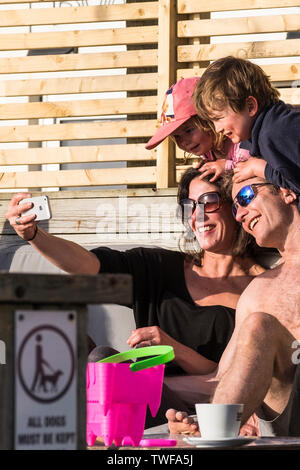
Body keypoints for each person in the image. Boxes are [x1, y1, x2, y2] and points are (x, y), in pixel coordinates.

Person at [6, 167, 263, 427]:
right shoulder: (159, 268)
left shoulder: (262, 290)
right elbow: (89, 265)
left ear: (235, 205)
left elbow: (232, 378)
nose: (198, 215)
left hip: (194, 411)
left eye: (209, 202)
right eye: (190, 206)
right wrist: (34, 236)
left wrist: (172, 349)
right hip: (138, 395)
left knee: (102, 364)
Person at [167, 175, 300, 437]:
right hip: (289, 427)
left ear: (285, 190)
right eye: (235, 206)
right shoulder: (258, 293)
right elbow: (223, 379)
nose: (239, 214)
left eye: (246, 197)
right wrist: (196, 423)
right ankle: (213, 433)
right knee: (258, 324)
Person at [193, 56, 300, 205]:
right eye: (212, 121)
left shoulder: (275, 132)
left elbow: (295, 181)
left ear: (250, 106)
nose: (217, 129)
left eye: (219, 118)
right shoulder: (262, 132)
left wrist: (259, 168)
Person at [145, 76, 251, 181]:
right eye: (176, 136)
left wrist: (227, 166)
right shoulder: (208, 150)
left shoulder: (241, 143)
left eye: (188, 131)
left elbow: (256, 167)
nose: (184, 142)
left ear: (209, 120)